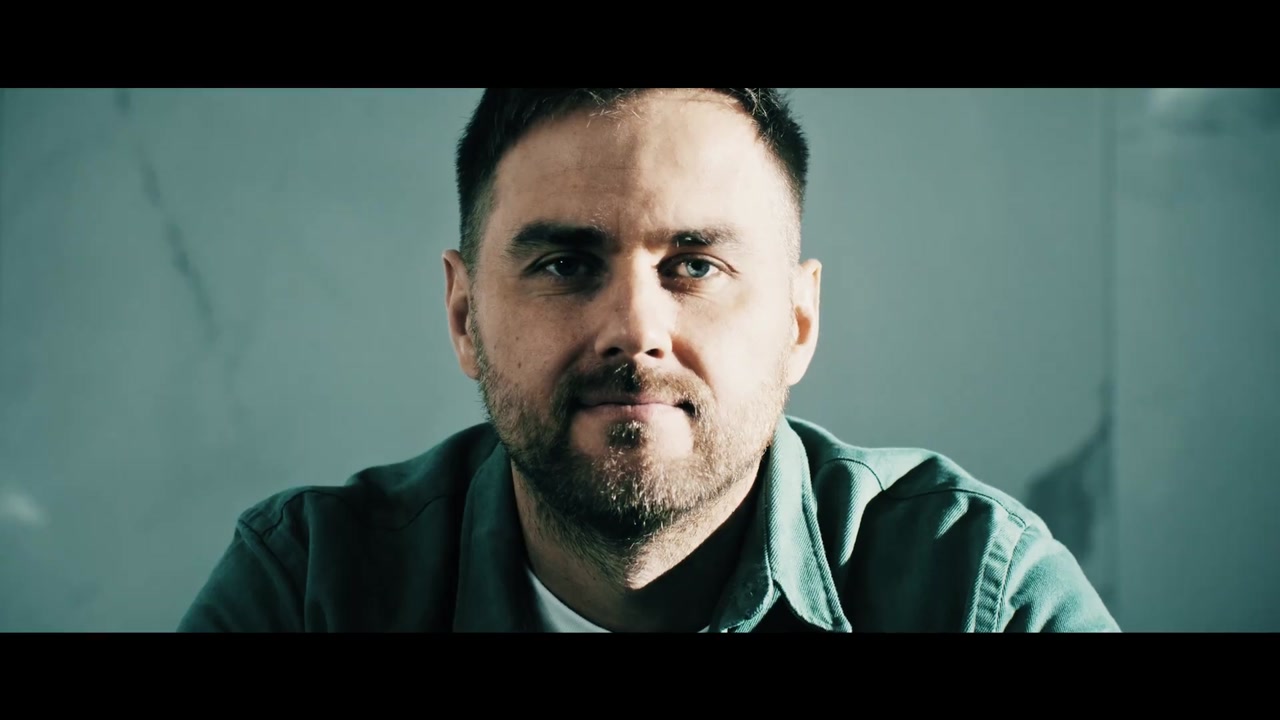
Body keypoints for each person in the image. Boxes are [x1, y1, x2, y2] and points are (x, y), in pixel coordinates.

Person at [178, 88, 1119, 633]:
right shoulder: (311, 589)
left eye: (695, 266)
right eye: (565, 264)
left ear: (798, 322)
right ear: (465, 316)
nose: (635, 330)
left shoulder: (976, 592)